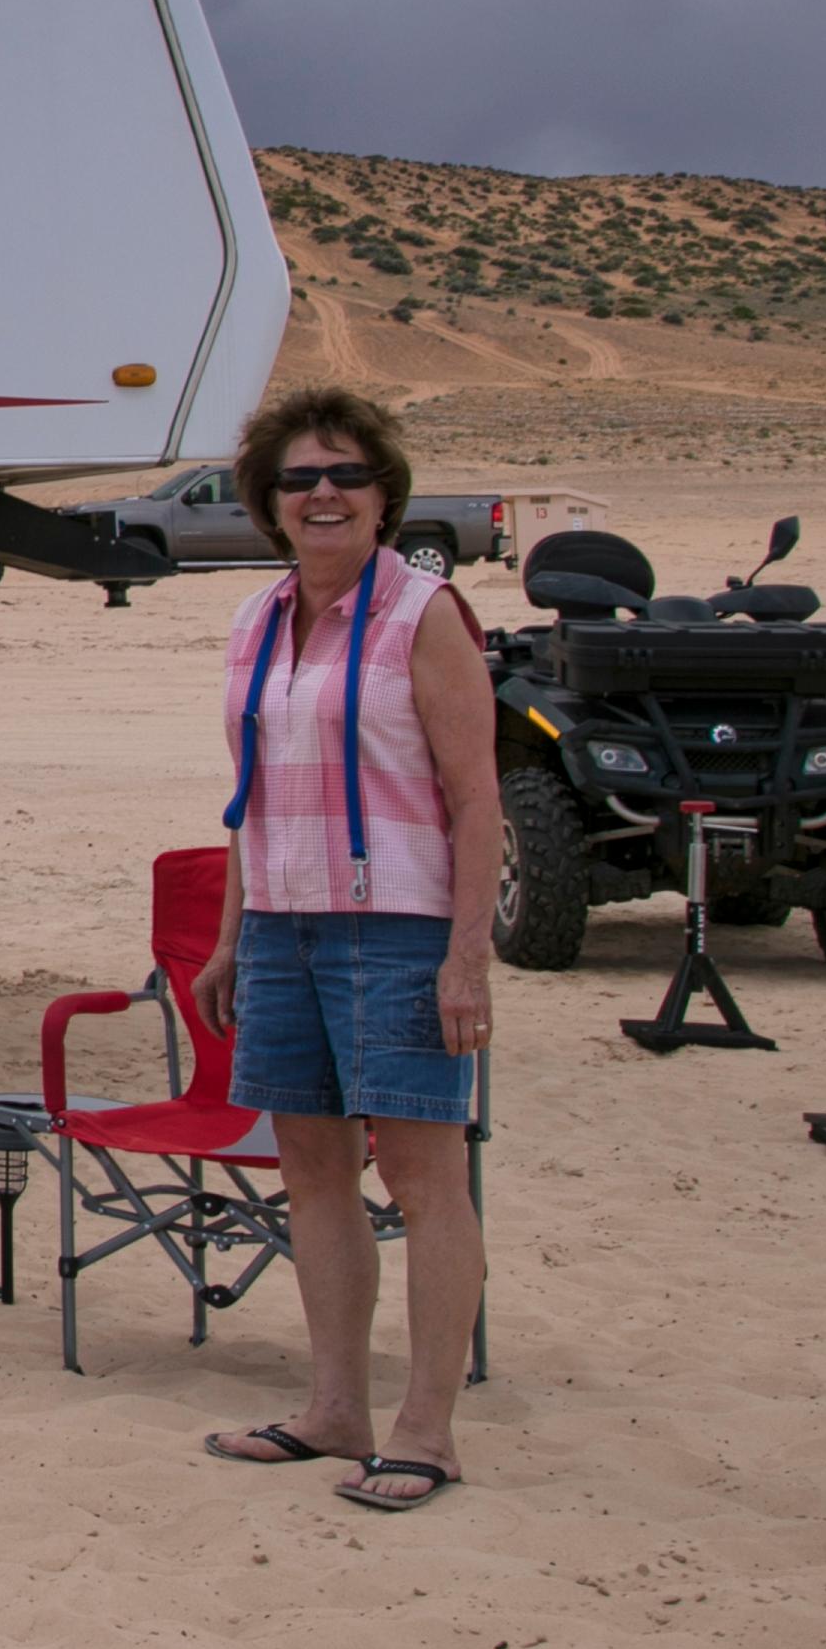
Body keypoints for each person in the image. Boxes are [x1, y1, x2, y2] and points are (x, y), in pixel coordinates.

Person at [188, 385, 499, 1514]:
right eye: (299, 480)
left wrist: (466, 959)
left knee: (424, 1180)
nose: (323, 495)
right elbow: (248, 801)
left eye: (346, 477)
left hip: (399, 928)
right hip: (282, 924)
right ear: (269, 505)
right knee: (313, 1173)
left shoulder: (427, 615)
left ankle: (427, 1428)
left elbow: (477, 802)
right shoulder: (257, 620)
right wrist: (232, 938)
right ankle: (334, 1409)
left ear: (384, 497)